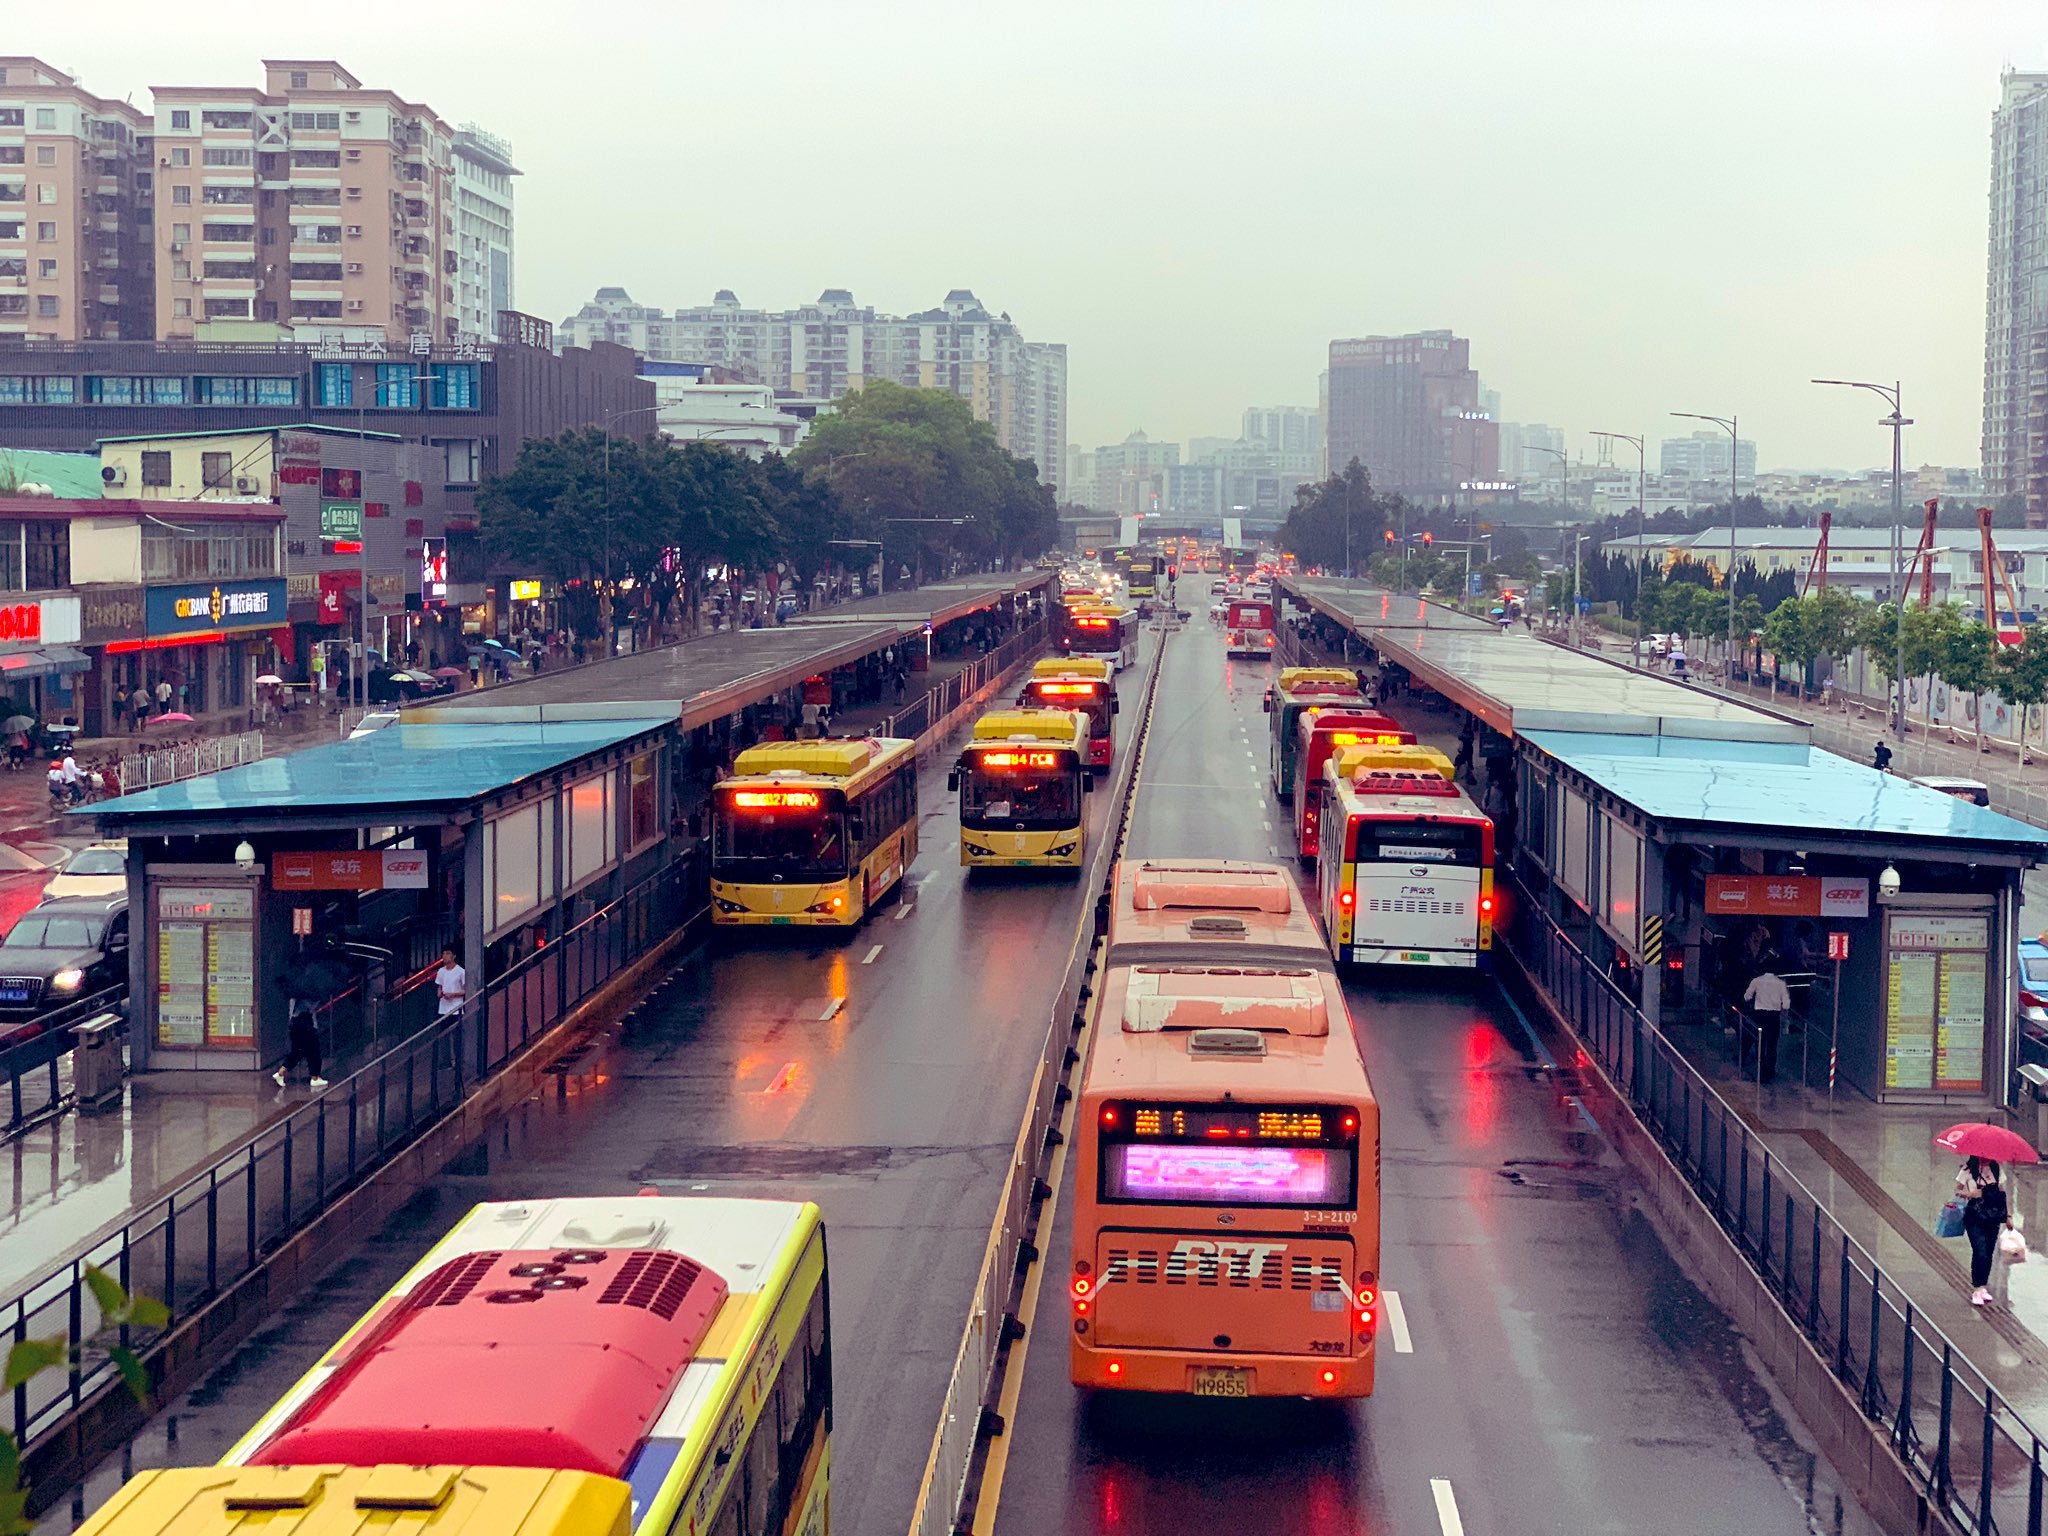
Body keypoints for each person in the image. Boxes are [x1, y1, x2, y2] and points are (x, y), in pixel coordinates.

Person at [1958, 1156, 2011, 1306]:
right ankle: (1976, 1287)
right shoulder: (1968, 1170)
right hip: (1974, 1216)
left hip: (1992, 1217)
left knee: (1988, 1253)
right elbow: (1957, 1190)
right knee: (1979, 1250)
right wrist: (1970, 1194)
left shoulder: (1996, 1169)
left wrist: (2007, 1216)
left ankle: (1983, 1287)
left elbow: (2002, 1194)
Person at [1742, 960, 1791, 1085]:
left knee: (1760, 1043)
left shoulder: (1757, 981)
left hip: (1759, 1015)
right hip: (1774, 1016)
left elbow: (1747, 996)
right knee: (1772, 1044)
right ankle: (1770, 1070)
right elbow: (1786, 1003)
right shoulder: (1781, 983)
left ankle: (1760, 1068)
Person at [273, 997, 328, 1089]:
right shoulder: (303, 996)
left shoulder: (295, 994)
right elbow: (310, 1007)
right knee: (312, 1051)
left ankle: (282, 1072)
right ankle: (314, 1077)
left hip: (298, 1024)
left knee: (301, 1051)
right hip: (304, 1024)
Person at [434, 945, 468, 1025]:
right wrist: (439, 993)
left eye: (448, 954)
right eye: (443, 954)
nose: (445, 956)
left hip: (456, 1008)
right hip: (443, 1008)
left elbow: (465, 990)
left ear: (454, 956)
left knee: (456, 1033)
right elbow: (440, 986)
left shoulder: (461, 971)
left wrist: (453, 994)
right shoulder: (441, 971)